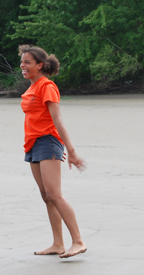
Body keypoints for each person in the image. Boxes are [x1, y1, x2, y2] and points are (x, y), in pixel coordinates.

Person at [19, 44, 87, 258]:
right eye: (22, 61)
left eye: (27, 62)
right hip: (32, 145)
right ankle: (58, 243)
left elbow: (58, 120)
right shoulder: (31, 88)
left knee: (54, 194)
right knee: (46, 196)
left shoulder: (46, 86)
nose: (23, 65)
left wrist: (71, 150)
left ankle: (78, 241)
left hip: (48, 142)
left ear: (39, 65)